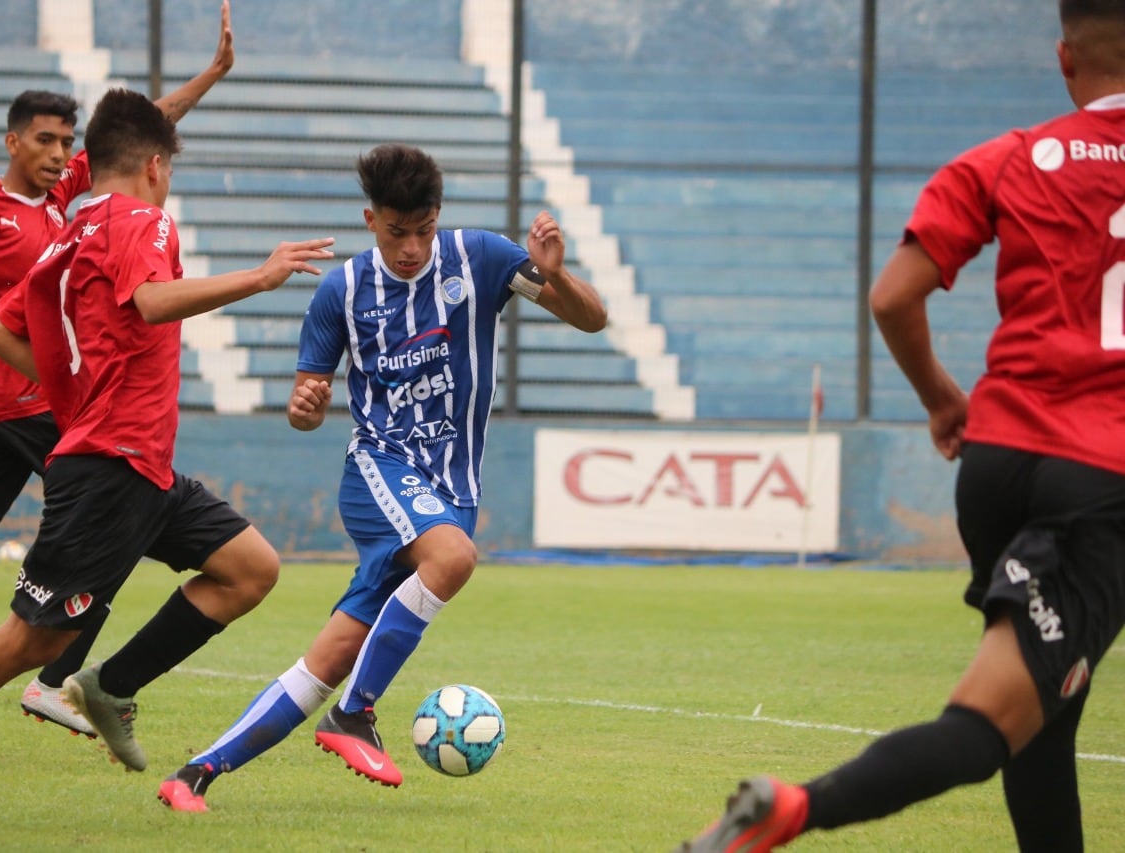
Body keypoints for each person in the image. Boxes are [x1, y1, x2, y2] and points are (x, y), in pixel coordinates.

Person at [677, 2, 1125, 851]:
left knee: (1049, 700)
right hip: (1099, 475)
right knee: (993, 720)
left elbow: (893, 296)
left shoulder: (1011, 157)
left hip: (998, 460)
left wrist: (942, 400)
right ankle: (793, 809)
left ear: (1065, 61)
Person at [0, 87, 335, 835]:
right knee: (27, 642)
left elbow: (4, 338)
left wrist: (77, 391)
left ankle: (110, 685)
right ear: (156, 166)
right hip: (108, 467)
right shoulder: (142, 219)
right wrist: (258, 278)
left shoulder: (64, 235)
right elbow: (150, 301)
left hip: (137, 464)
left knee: (250, 568)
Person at [156, 142, 608, 812]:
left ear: (438, 218)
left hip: (448, 493)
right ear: (371, 220)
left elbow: (593, 318)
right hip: (378, 472)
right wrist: (304, 407)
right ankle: (355, 714)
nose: (412, 247)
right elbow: (307, 403)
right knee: (454, 557)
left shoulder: (478, 258)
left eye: (423, 230)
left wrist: (555, 277)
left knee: (332, 656)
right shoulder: (341, 290)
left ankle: (194, 773)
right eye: (398, 233)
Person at [0, 0, 240, 740]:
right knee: (123, 506)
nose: (61, 154)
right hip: (26, 402)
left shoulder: (66, 200)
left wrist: (209, 76)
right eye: (46, 141)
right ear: (13, 141)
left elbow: (140, 133)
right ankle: (58, 681)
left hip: (32, 402)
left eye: (66, 141)